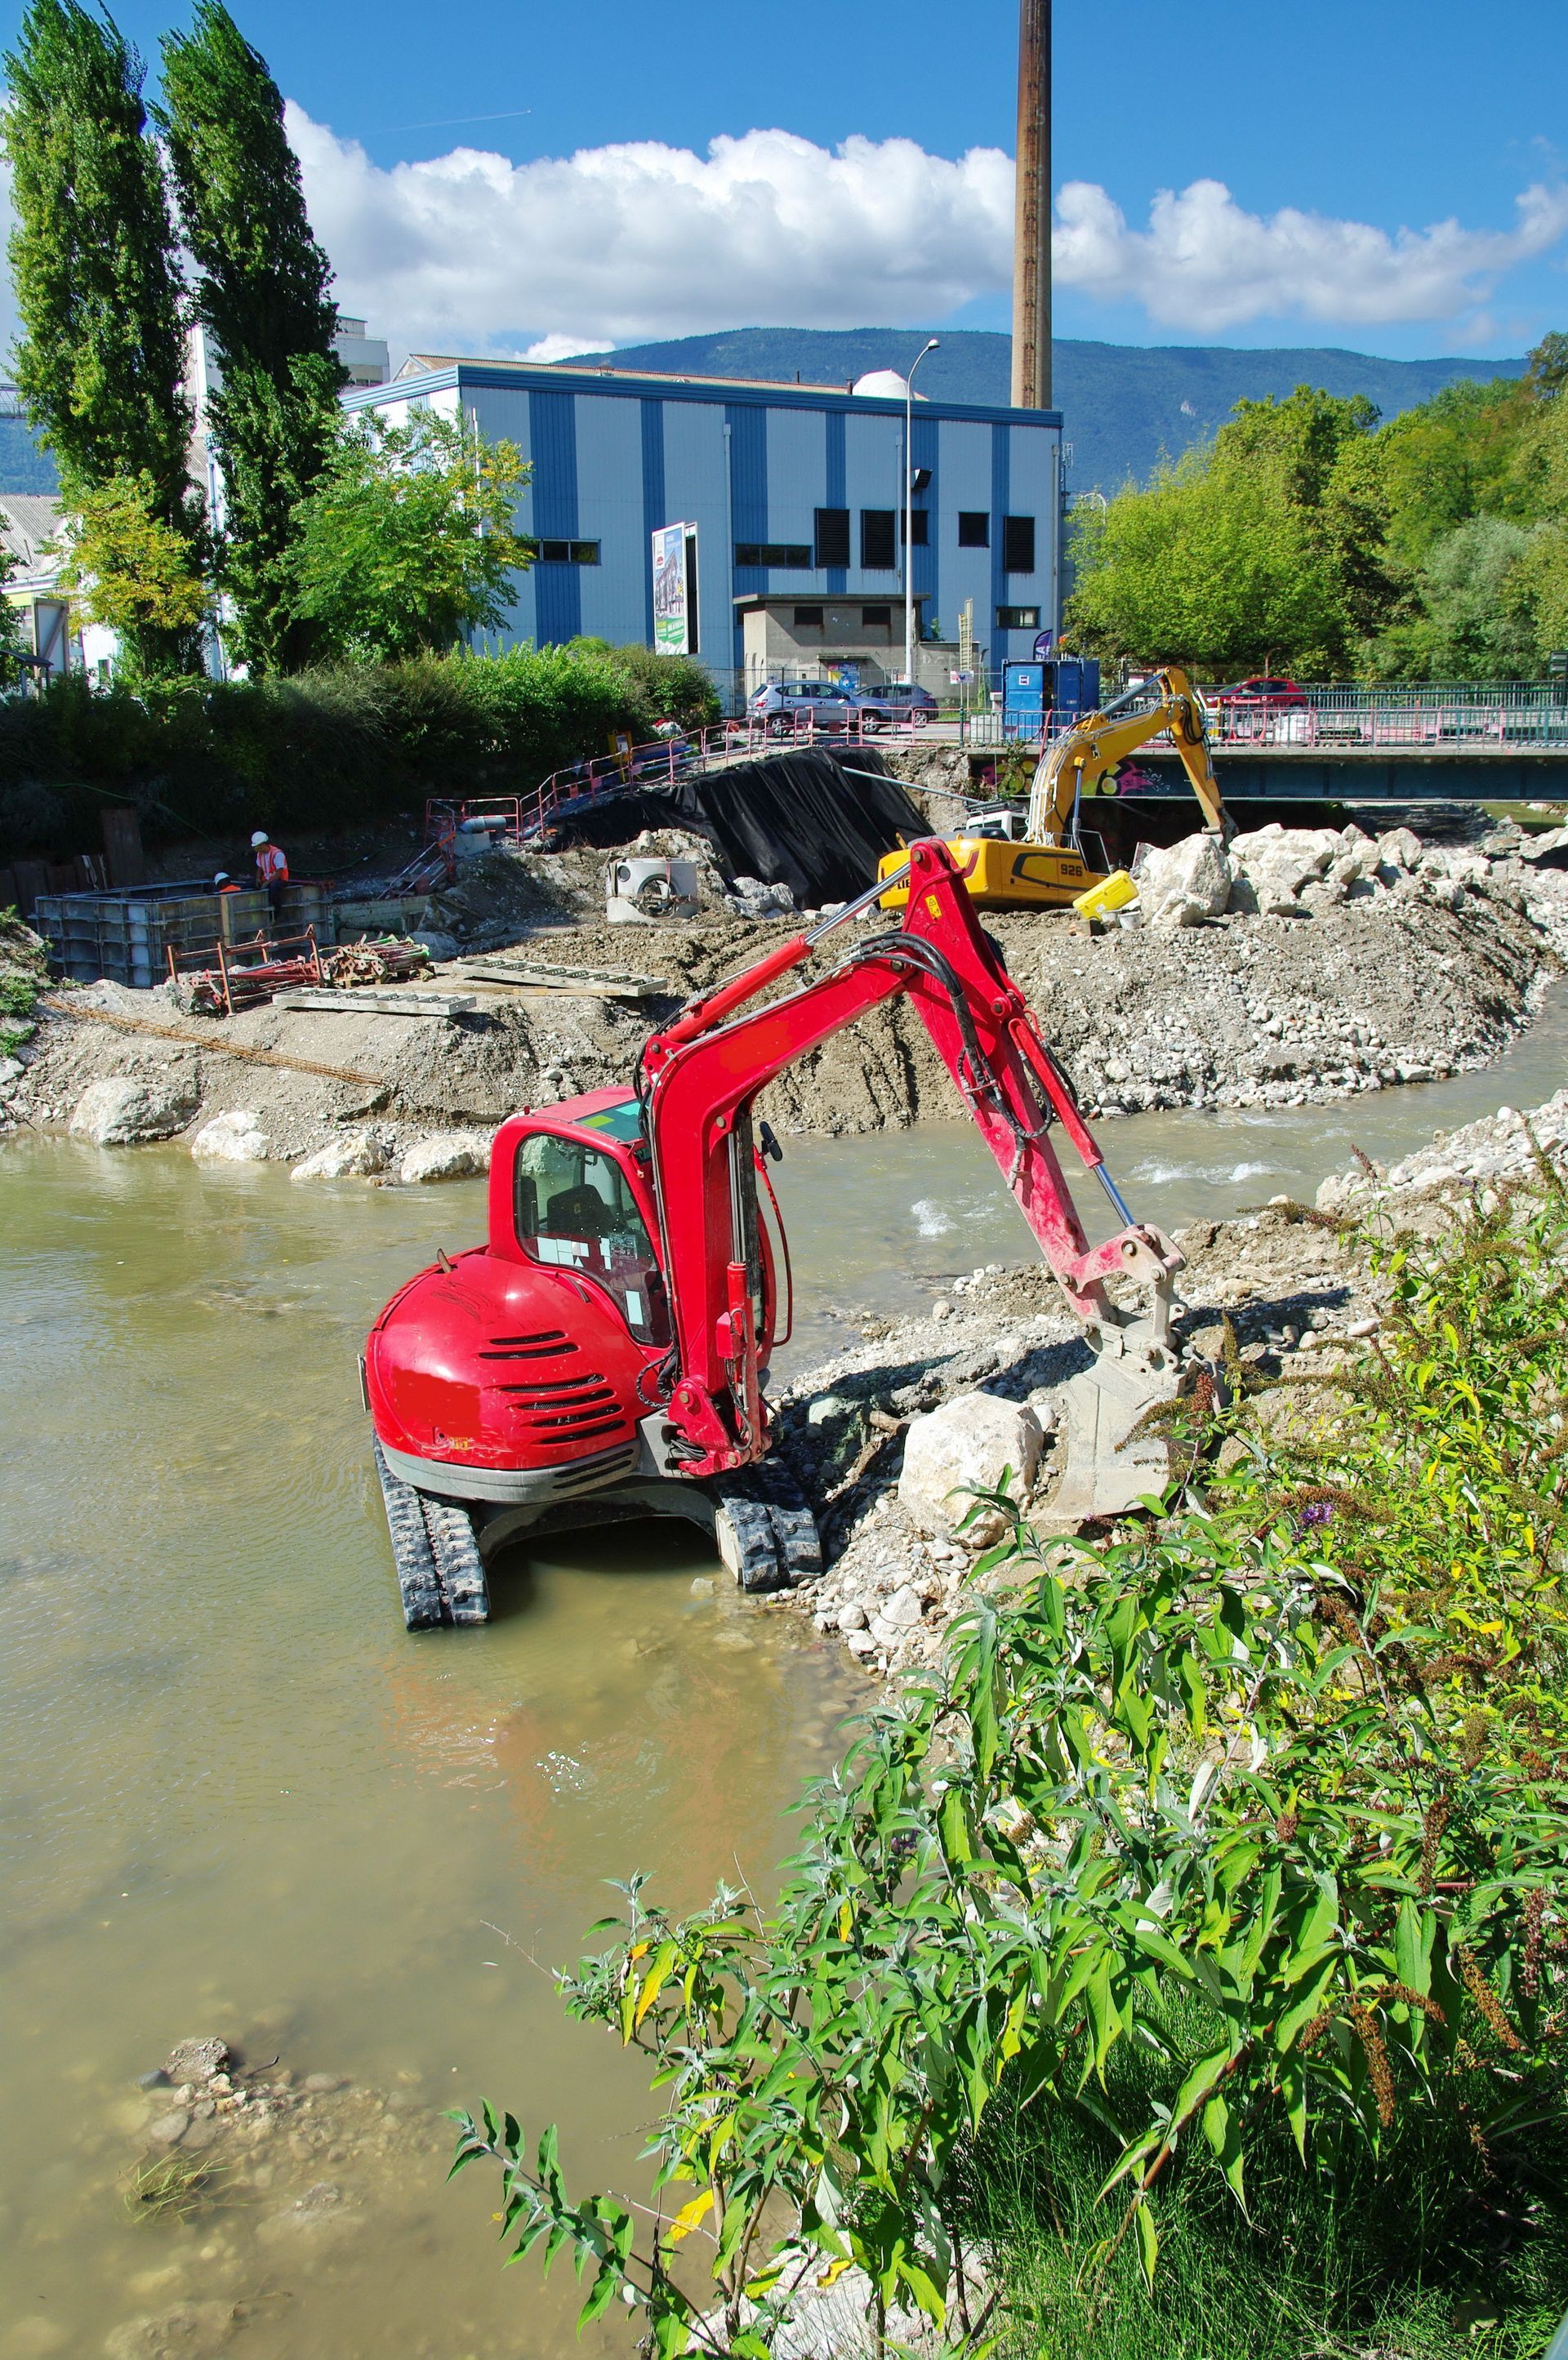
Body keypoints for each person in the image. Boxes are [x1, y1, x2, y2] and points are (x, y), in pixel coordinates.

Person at [252, 830, 287, 924]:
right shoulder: (260, 854)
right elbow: (259, 868)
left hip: (280, 880)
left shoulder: (277, 854)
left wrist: (267, 883)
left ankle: (277, 915)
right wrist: (258, 879)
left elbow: (280, 872)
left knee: (274, 887)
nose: (257, 849)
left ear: (264, 844)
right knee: (249, 885)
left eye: (258, 847)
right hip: (267, 879)